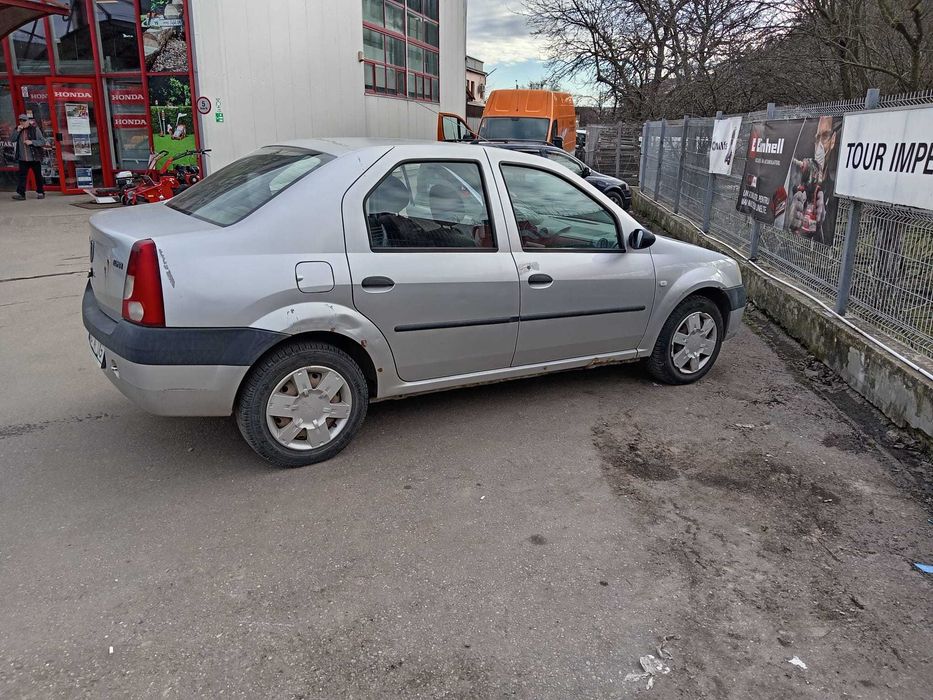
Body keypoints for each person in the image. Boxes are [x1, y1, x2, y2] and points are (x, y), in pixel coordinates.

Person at [13, 114, 47, 201]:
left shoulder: (35, 129)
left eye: (24, 120)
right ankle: (21, 194)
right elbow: (12, 139)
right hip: (23, 158)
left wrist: (31, 142)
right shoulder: (18, 130)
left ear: (28, 121)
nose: (22, 122)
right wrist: (17, 131)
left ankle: (40, 192)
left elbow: (42, 141)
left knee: (38, 176)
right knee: (22, 176)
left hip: (34, 157)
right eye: (20, 121)